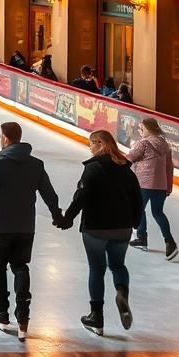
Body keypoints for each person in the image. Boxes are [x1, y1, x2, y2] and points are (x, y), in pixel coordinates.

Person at [0, 122, 62, 341]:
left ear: (6, 138)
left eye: (0, 136)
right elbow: (49, 193)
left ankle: (1, 312)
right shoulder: (36, 164)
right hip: (25, 227)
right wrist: (57, 214)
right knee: (20, 267)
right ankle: (23, 316)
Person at [60, 129, 142, 336]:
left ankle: (96, 317)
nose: (89, 147)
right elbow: (137, 199)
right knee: (118, 265)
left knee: (96, 269)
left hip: (96, 228)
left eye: (91, 143)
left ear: (99, 144)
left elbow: (81, 196)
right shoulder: (127, 170)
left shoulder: (93, 168)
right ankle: (122, 293)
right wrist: (135, 222)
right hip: (122, 227)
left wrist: (67, 218)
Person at [127, 118, 178, 260]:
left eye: (141, 128)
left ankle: (141, 238)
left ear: (148, 128)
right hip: (161, 184)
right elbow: (169, 167)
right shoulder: (165, 145)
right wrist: (168, 186)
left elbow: (129, 158)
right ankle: (170, 242)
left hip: (144, 183)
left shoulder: (143, 143)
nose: (139, 130)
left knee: (138, 209)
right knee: (158, 212)